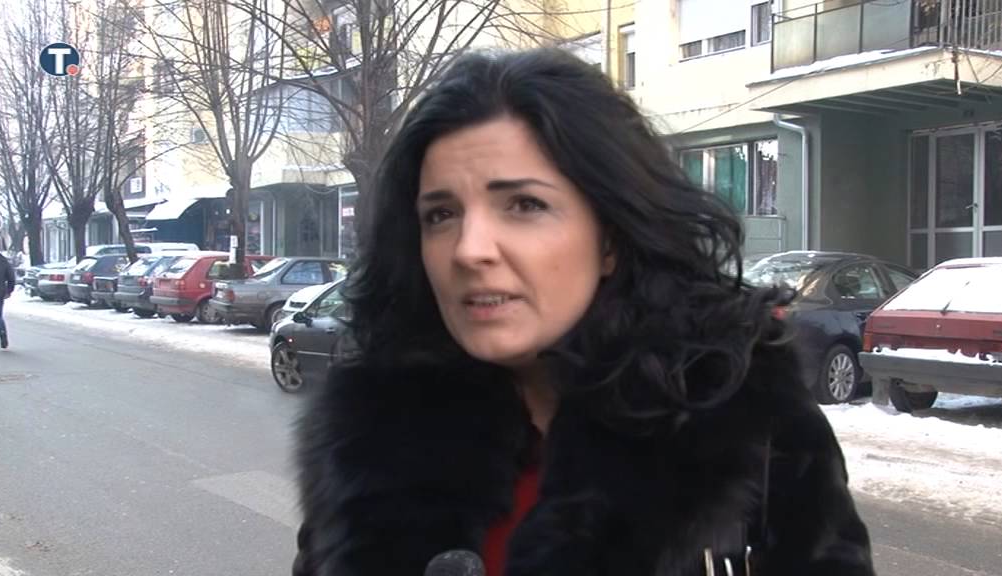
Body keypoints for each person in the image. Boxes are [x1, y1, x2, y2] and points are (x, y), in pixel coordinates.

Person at [292, 49, 875, 576]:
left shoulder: (744, 419)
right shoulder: (371, 443)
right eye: (440, 215)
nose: (469, 250)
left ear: (610, 237)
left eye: (524, 204)